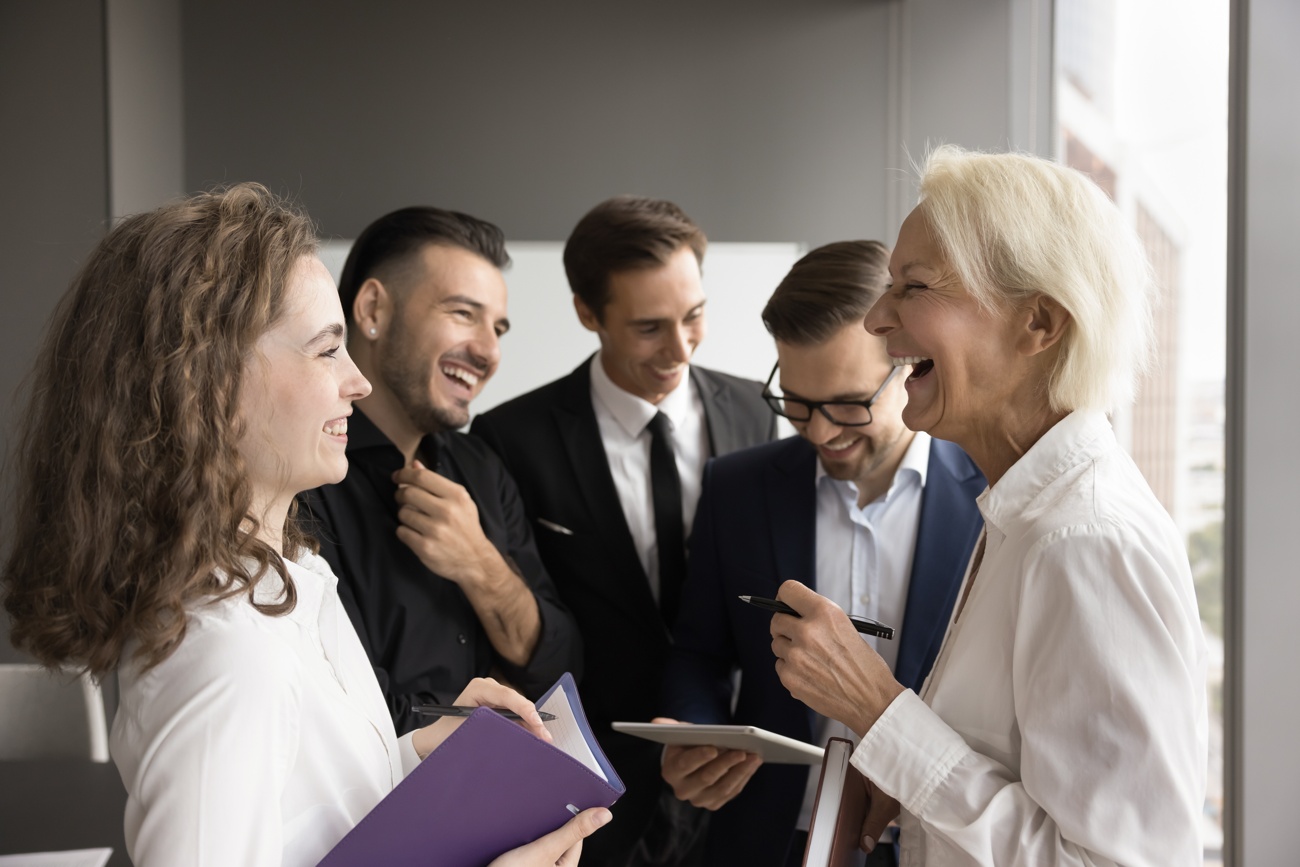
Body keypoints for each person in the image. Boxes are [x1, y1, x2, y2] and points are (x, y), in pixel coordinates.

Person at [0, 184, 609, 866]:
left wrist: (412, 750)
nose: (359, 383)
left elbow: (312, 815)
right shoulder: (229, 655)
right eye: (326, 351)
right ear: (207, 383)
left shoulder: (294, 573)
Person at [770, 147, 1208, 865]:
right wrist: (912, 799)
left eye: (913, 286)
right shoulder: (1020, 516)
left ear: (1038, 322)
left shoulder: (1086, 540)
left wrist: (881, 713)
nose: (878, 319)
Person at [657, 241, 985, 866]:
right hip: (768, 840)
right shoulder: (736, 487)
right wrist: (692, 732)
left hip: (933, 843)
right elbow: (698, 652)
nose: (822, 433)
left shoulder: (992, 497)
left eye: (848, 405)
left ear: (911, 362)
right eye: (799, 405)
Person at [472, 196, 777, 865]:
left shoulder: (760, 411)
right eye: (648, 327)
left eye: (694, 316)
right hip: (588, 793)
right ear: (588, 313)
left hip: (730, 783)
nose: (680, 348)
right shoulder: (510, 438)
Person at [298, 207, 581, 736]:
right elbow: (344, 707)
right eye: (463, 314)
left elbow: (562, 672)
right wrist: (493, 714)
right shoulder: (301, 474)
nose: (489, 351)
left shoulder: (483, 468)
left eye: (497, 327)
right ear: (373, 309)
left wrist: (481, 566)